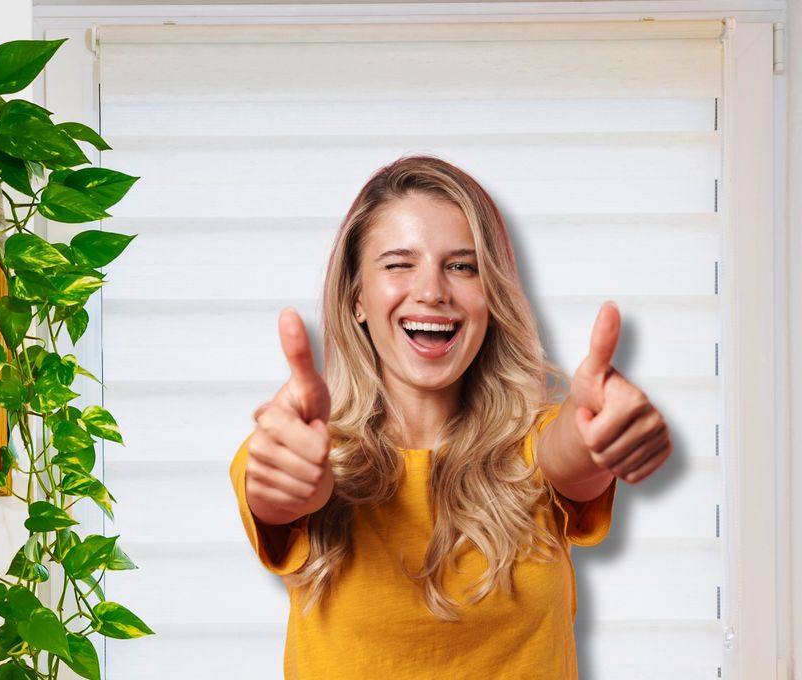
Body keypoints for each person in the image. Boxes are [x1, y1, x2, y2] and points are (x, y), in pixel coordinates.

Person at [228, 155, 672, 679]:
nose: (432, 291)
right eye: (399, 264)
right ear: (356, 299)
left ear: (492, 295)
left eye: (462, 266)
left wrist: (596, 426)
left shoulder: (534, 444)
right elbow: (283, 494)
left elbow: (570, 452)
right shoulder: (296, 448)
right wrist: (290, 477)